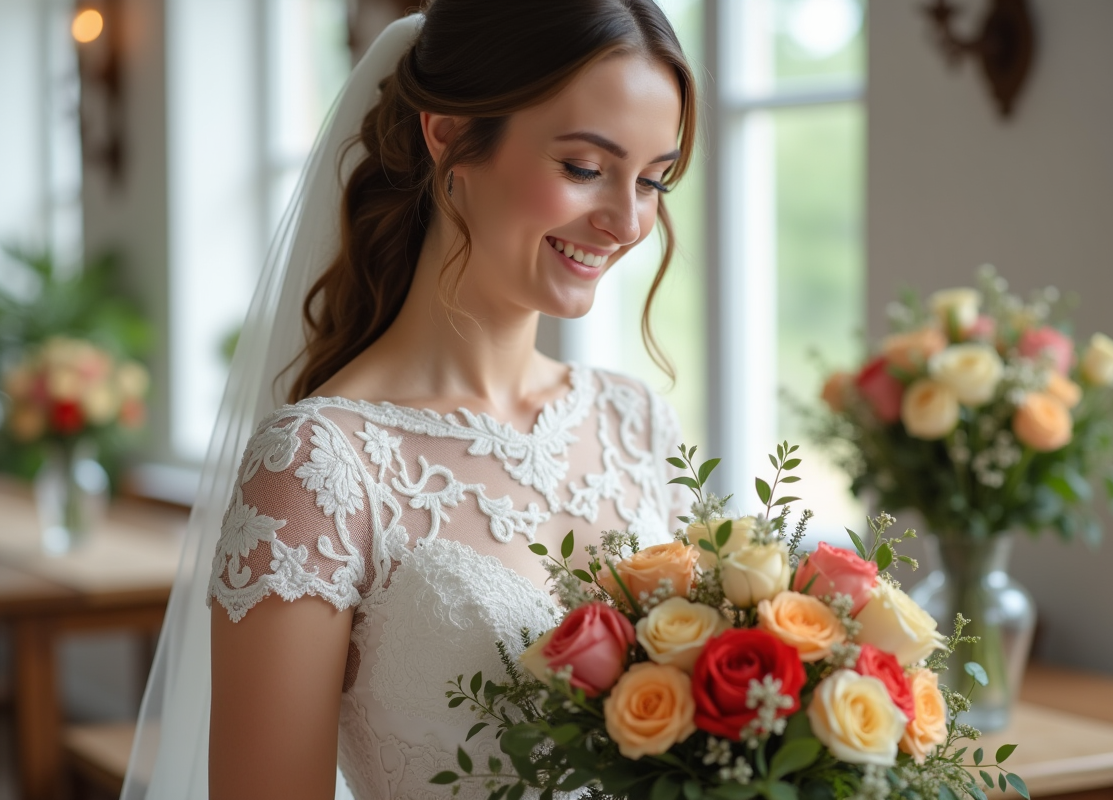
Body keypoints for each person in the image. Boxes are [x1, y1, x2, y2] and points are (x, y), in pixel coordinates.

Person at [122, 2, 697, 798]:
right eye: (584, 168)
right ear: (451, 132)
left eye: (654, 179)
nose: (627, 221)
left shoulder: (637, 422)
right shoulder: (318, 468)